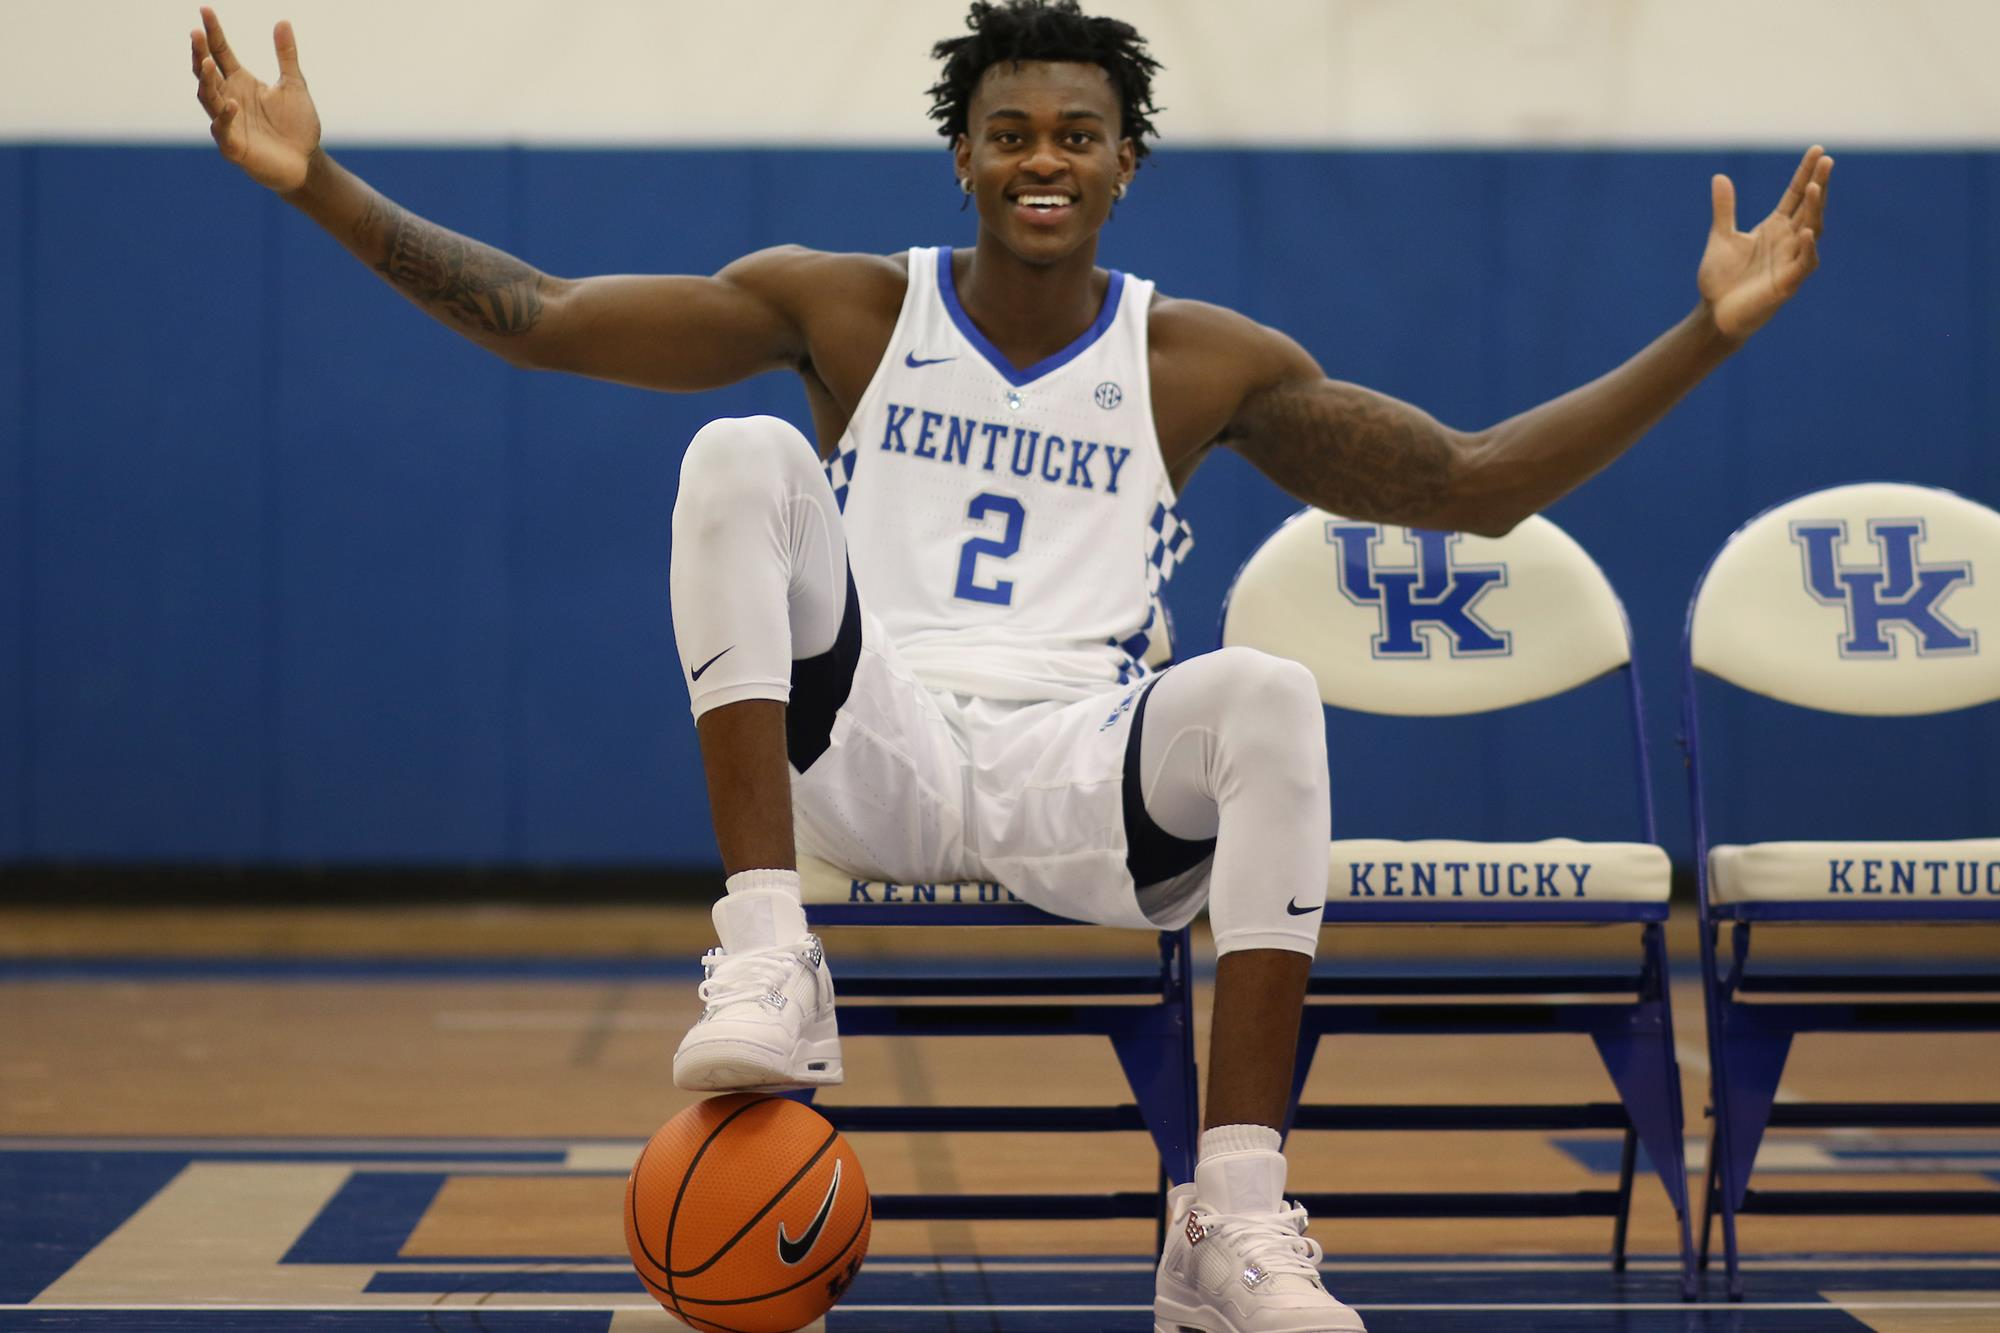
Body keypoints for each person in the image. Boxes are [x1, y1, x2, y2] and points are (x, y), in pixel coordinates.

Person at [191, 3, 1830, 1328]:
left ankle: (1230, 1221)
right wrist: (316, 181)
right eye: (1011, 131)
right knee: (738, 461)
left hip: (1083, 779)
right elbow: (542, 315)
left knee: (1269, 693)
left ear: (1126, 166)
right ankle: (767, 959)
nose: (1043, 158)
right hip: (880, 750)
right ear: (963, 156)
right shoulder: (844, 312)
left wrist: (1712, 333)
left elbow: (1475, 485)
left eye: (1077, 135)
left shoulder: (1198, 365)